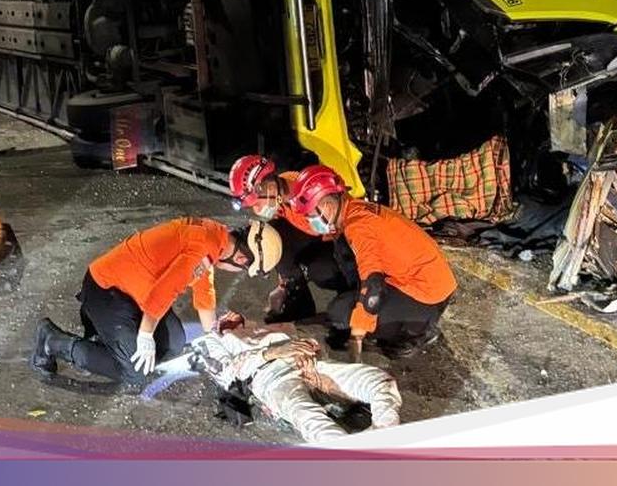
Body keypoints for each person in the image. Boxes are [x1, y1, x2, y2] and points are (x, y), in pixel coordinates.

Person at [31, 218, 282, 385]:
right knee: (136, 373)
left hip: (135, 294)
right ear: (241, 259)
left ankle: (109, 341)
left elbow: (204, 296)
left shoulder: (214, 239)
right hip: (107, 289)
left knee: (174, 342)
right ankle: (53, 341)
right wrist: (144, 336)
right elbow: (164, 292)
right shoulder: (202, 248)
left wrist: (215, 338)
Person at [288, 165, 457, 361]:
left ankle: (418, 330)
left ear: (326, 205)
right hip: (421, 276)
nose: (310, 220)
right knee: (332, 264)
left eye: (310, 215)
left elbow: (373, 287)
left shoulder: (358, 226)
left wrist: (356, 337)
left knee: (341, 313)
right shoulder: (352, 211)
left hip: (428, 293)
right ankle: (386, 316)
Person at [189, 311, 401, 442]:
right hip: (270, 378)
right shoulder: (214, 340)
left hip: (309, 365)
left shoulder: (269, 327)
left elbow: (311, 339)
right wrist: (273, 352)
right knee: (307, 416)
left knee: (380, 381)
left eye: (235, 317)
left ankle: (384, 434)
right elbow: (226, 372)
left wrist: (317, 363)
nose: (229, 316)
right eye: (224, 318)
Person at [229, 155, 351, 323]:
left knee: (321, 270)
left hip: (341, 240)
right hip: (316, 235)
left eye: (257, 203)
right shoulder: (283, 199)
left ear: (270, 187)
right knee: (272, 236)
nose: (257, 210)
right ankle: (298, 303)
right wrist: (283, 285)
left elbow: (348, 230)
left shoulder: (314, 190)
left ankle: (351, 298)